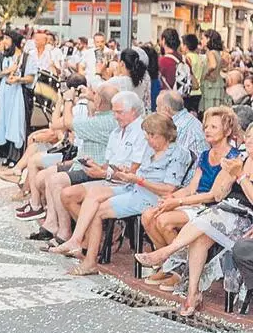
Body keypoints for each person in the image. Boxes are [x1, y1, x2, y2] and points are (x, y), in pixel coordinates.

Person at [62, 113, 190, 275]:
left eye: (153, 136)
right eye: (148, 135)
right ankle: (79, 243)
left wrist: (139, 180)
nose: (149, 139)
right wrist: (126, 173)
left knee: (98, 210)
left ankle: (89, 260)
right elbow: (140, 174)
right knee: (94, 194)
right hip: (135, 188)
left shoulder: (178, 154)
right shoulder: (151, 149)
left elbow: (169, 189)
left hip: (152, 196)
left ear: (166, 135)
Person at [141, 106, 240, 289]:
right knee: (148, 215)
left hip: (212, 207)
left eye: (213, 127)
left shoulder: (232, 157)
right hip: (194, 202)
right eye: (206, 126)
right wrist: (170, 198)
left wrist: (177, 202)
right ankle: (169, 265)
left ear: (227, 131)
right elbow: (191, 188)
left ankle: (180, 270)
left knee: (164, 221)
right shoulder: (205, 155)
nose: (207, 130)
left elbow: (213, 195)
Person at [48, 91, 149, 256]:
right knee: (67, 195)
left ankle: (85, 242)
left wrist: (103, 173)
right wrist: (96, 167)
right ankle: (91, 238)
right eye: (114, 112)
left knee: (89, 197)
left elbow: (132, 173)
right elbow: (108, 165)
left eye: (119, 112)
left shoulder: (141, 132)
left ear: (133, 111)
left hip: (127, 185)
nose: (115, 116)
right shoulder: (117, 131)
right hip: (111, 180)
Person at [0, 30, 28, 165]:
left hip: (16, 94)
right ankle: (6, 154)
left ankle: (15, 156)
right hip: (3, 93)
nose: (4, 41)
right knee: (2, 122)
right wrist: (7, 71)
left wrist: (17, 78)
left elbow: (30, 77)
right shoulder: (0, 57)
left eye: (7, 39)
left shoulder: (23, 58)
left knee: (14, 122)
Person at [199, 30, 230, 112]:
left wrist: (206, 73)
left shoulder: (210, 53)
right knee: (216, 109)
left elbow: (213, 65)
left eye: (203, 38)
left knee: (209, 109)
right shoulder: (217, 52)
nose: (201, 41)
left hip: (210, 84)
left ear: (208, 39)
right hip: (218, 82)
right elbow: (224, 65)